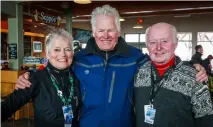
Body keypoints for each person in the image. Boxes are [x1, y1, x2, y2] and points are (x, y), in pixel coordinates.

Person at [15, 5, 208, 127]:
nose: (105, 35)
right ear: (93, 31)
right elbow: (57, 67)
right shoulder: (79, 58)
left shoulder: (136, 58)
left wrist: (192, 66)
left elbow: (162, 59)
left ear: (118, 30)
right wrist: (30, 74)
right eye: (100, 30)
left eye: (110, 30)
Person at [134, 22, 213, 127]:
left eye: (164, 41)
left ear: (176, 43)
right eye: (153, 42)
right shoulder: (140, 71)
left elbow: (206, 120)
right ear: (147, 45)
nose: (158, 47)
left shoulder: (195, 77)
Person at [1, 28, 82, 127]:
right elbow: (7, 107)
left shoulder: (77, 76)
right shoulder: (35, 78)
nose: (63, 54)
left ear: (72, 53)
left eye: (67, 49)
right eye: (57, 49)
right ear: (47, 54)